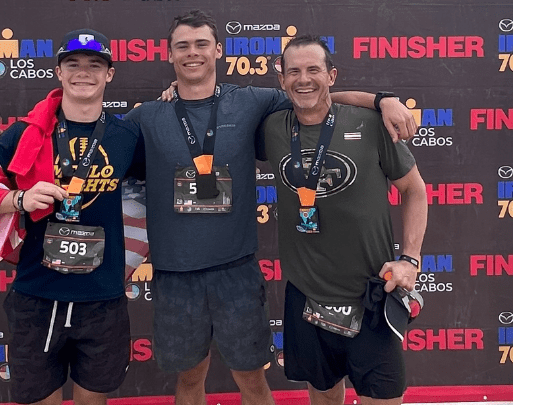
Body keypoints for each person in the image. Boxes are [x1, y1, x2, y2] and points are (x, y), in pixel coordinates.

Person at [124, 10, 418, 405]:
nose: (192, 53)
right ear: (170, 54)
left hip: (237, 274)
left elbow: (316, 99)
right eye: (183, 46)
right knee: (189, 381)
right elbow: (98, 153)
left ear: (219, 51)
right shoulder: (148, 116)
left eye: (201, 44)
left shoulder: (250, 101)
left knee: (252, 382)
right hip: (176, 276)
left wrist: (382, 100)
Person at [0, 28, 143, 405]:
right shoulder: (25, 133)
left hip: (102, 296)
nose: (83, 73)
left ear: (110, 74)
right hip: (38, 296)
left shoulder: (127, 135)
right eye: (73, 64)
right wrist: (19, 198)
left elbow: (151, 193)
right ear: (59, 72)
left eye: (95, 65)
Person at [257, 35, 428, 405]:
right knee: (322, 396)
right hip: (307, 296)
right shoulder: (272, 127)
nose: (304, 79)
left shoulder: (370, 124)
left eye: (314, 70)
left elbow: (414, 191)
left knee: (383, 399)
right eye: (294, 72)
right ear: (282, 79)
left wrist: (410, 259)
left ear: (332, 75)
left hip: (372, 295)